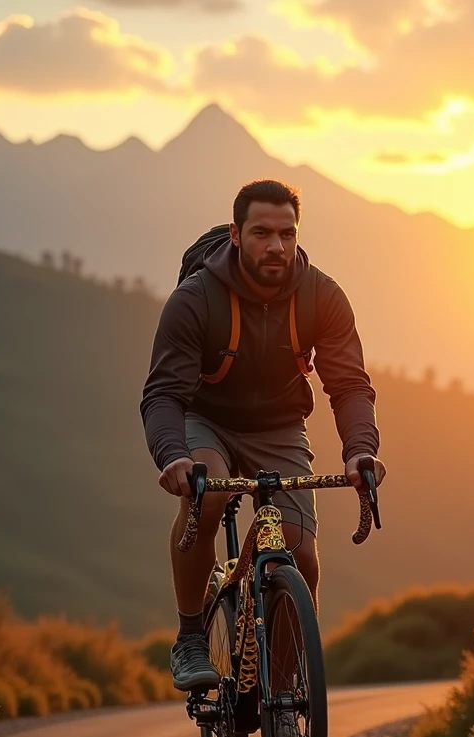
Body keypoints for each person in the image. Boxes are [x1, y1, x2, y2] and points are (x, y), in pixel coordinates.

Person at [140, 178, 386, 701]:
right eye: (262, 233)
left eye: (287, 233)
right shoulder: (195, 299)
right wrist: (174, 458)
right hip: (206, 421)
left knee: (304, 556)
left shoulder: (322, 295)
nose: (276, 245)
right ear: (235, 234)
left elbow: (349, 384)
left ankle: (286, 694)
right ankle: (189, 640)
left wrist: (360, 449)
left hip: (280, 427)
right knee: (210, 500)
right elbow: (163, 393)